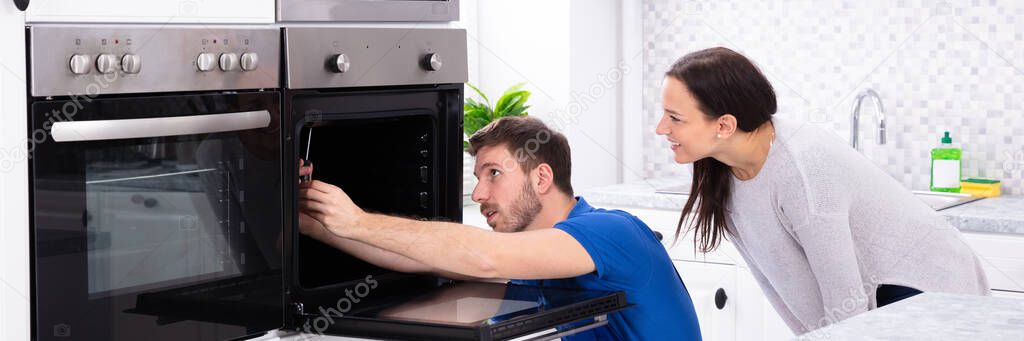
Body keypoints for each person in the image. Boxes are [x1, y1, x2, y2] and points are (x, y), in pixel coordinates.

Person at [655, 47, 990, 334]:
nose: (661, 128)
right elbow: (781, 284)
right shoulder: (719, 169)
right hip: (867, 301)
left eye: (675, 118)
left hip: (926, 287)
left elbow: (847, 308)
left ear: (725, 125)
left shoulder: (804, 172)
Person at [298, 116, 701, 340]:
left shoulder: (611, 232)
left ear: (542, 178)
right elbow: (415, 258)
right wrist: (319, 225)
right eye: (477, 177)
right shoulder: (534, 259)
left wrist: (357, 219)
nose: (479, 194)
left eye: (493, 174)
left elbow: (484, 257)